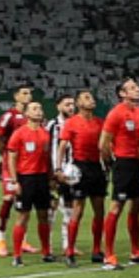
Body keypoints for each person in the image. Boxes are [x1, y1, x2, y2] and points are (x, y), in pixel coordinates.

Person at [100, 78, 139, 270]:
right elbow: (103, 143)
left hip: (138, 163)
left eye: (137, 87)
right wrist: (110, 162)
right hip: (123, 163)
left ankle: (135, 251)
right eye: (132, 88)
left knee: (135, 207)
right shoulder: (116, 114)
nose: (137, 90)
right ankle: (109, 254)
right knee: (116, 207)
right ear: (122, 93)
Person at [58, 89, 107, 267]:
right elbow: (62, 146)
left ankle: (96, 250)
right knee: (78, 210)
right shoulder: (71, 123)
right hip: (80, 167)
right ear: (79, 103)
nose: (91, 100)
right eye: (87, 97)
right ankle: (70, 251)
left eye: (92, 97)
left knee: (100, 211)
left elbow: (105, 145)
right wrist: (58, 168)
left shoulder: (99, 122)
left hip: (97, 167)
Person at [6, 101, 56, 266]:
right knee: (23, 216)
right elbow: (11, 158)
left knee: (44, 216)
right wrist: (15, 181)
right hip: (25, 179)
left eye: (40, 108)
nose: (39, 111)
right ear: (26, 113)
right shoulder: (19, 133)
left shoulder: (45, 134)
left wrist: (50, 179)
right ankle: (17, 255)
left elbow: (48, 159)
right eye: (34, 108)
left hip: (42, 179)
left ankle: (46, 252)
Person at [0, 84, 35, 257]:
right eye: (24, 93)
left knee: (25, 202)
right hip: (10, 165)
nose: (28, 96)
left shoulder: (33, 116)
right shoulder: (9, 116)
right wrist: (6, 157)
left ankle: (23, 240)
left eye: (30, 93)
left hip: (27, 165)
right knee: (8, 199)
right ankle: (0, 239)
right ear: (16, 96)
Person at [46, 94, 75, 257]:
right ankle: (48, 245)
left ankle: (67, 245)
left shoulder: (76, 123)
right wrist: (52, 172)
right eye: (67, 104)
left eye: (72, 104)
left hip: (71, 174)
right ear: (58, 106)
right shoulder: (53, 125)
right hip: (56, 173)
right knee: (52, 209)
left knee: (69, 209)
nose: (70, 107)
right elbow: (47, 149)